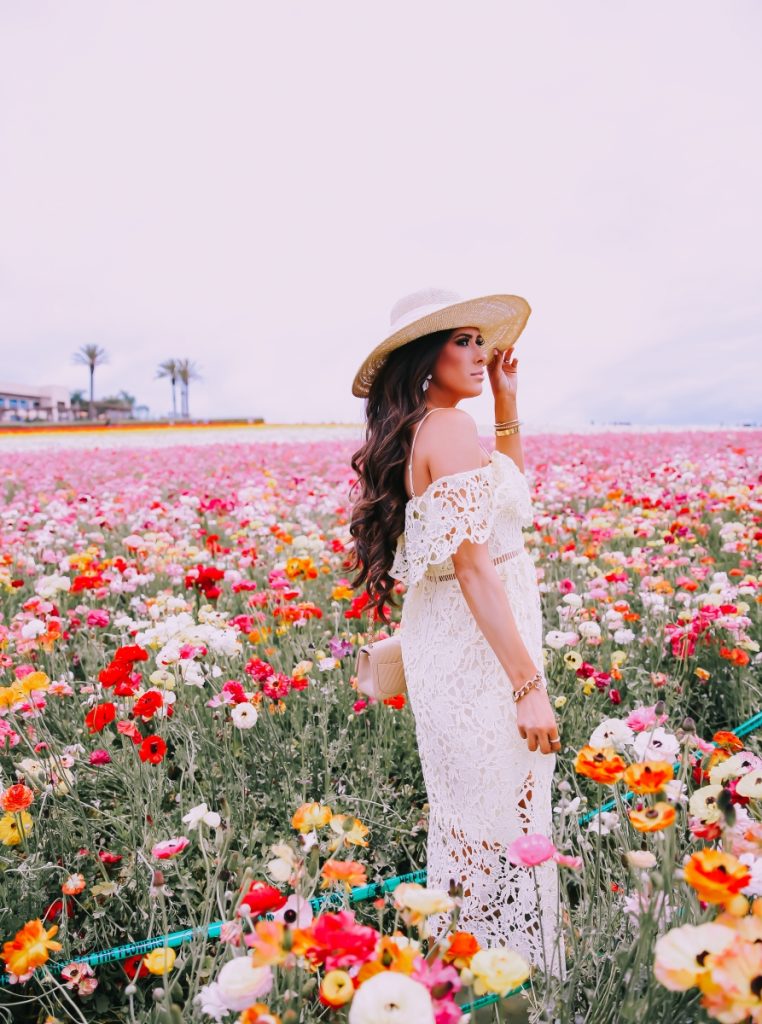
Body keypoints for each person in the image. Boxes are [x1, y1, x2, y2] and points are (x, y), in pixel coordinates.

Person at [348, 287, 564, 976]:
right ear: (424, 357)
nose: (478, 355)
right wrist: (527, 684)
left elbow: (504, 514)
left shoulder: (428, 429)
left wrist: (506, 404)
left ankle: (465, 975)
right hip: (482, 651)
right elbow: (476, 569)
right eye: (462, 342)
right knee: (502, 817)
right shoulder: (446, 429)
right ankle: (507, 980)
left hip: (458, 639)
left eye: (480, 341)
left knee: (472, 818)